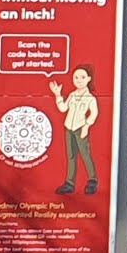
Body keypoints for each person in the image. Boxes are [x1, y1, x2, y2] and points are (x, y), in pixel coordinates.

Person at [48, 64, 100, 195]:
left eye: (82, 77)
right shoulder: (72, 95)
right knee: (71, 156)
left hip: (80, 128)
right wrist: (58, 95)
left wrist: (87, 126)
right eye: (76, 77)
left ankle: (92, 180)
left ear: (88, 79)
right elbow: (63, 108)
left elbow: (94, 113)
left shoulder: (90, 98)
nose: (79, 80)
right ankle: (69, 183)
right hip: (69, 127)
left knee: (85, 154)